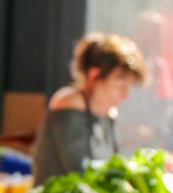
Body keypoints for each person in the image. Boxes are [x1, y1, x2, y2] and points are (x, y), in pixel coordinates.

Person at [33, 33, 150, 180]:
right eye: (120, 84)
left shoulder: (109, 113)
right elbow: (78, 169)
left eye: (129, 86)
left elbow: (113, 164)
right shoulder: (70, 102)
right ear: (94, 75)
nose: (125, 95)